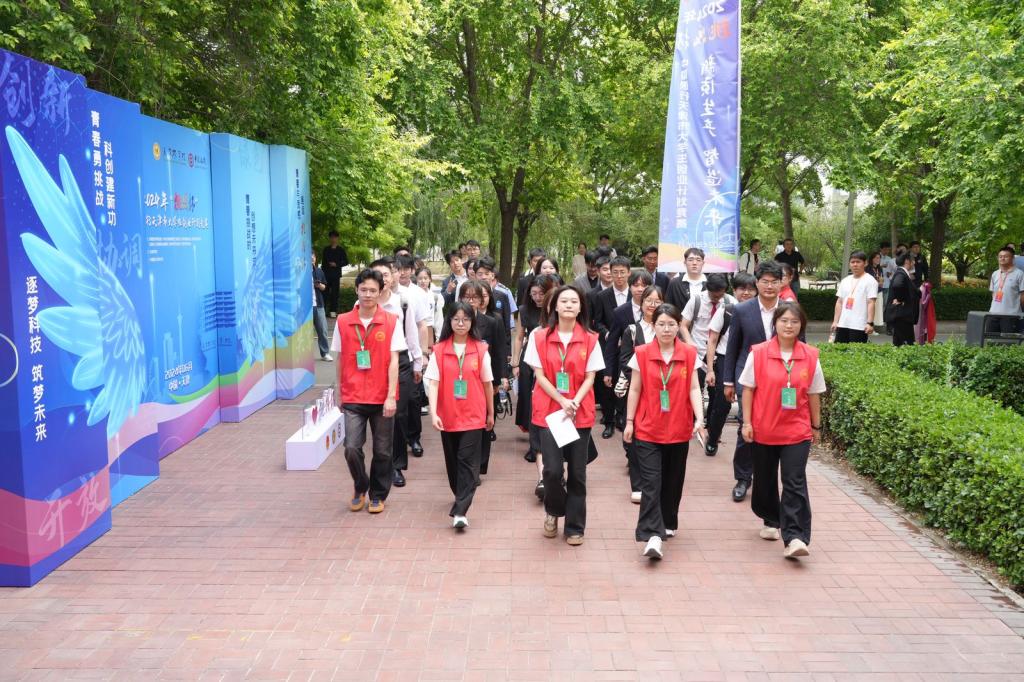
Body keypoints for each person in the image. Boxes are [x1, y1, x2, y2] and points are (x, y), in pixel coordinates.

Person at [739, 301, 825, 560]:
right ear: (774, 323)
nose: (789, 326)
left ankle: (795, 536)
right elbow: (748, 389)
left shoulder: (810, 356)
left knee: (794, 480)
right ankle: (770, 517)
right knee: (764, 480)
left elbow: (814, 394)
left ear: (802, 326)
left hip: (796, 431)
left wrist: (816, 426)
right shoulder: (759, 353)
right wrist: (747, 423)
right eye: (784, 321)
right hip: (764, 428)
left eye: (794, 322)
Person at [624, 303, 706, 560]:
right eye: (661, 324)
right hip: (648, 429)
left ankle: (668, 521)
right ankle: (652, 535)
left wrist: (700, 418)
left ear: (679, 326)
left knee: (673, 480)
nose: (667, 329)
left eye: (671, 324)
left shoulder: (689, 354)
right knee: (651, 482)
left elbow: (694, 388)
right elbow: (634, 389)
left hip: (679, 428)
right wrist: (629, 421)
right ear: (653, 326)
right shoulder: (641, 353)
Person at [526, 285, 603, 546]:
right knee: (552, 470)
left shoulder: (590, 339)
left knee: (578, 473)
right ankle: (553, 510)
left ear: (581, 307)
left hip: (579, 412)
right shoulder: (539, 337)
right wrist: (561, 400)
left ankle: (574, 527)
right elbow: (539, 375)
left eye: (574, 301)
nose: (569, 305)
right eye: (564, 301)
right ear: (554, 306)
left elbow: (591, 377)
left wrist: (575, 401)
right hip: (551, 413)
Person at [333, 269, 403, 514]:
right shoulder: (343, 321)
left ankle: (378, 494)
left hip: (382, 397)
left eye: (373, 290)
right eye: (363, 289)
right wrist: (338, 391)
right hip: (353, 395)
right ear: (356, 290)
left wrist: (391, 395)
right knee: (351, 447)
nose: (368, 294)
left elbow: (394, 360)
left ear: (381, 291)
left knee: (383, 450)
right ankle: (360, 484)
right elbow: (339, 358)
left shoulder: (391, 321)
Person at [425, 302, 495, 529]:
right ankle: (460, 494)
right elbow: (433, 383)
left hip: (474, 414)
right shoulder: (439, 350)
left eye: (465, 319)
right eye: (456, 319)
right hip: (448, 415)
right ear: (449, 321)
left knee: (466, 460)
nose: (461, 323)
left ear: (472, 322)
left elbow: (487, 384)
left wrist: (490, 413)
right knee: (453, 461)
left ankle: (461, 511)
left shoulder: (481, 349)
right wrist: (434, 412)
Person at [723, 261, 785, 503]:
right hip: (747, 375)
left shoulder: (789, 310)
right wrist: (729, 381)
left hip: (779, 378)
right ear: (757, 283)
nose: (769, 286)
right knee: (746, 423)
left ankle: (766, 477)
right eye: (765, 281)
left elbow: (799, 345)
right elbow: (733, 347)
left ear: (781, 283)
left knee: (772, 426)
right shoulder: (741, 310)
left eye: (774, 281)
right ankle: (742, 477)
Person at [369, 258, 423, 488]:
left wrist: (418, 362)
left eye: (385, 274)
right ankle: (382, 462)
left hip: (400, 362)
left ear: (392, 277)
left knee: (398, 414)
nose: (382, 279)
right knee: (378, 415)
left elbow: (412, 332)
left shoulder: (402, 302)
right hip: (373, 364)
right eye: (377, 274)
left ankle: (396, 465)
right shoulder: (363, 302)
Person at [512, 274, 561, 498]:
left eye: (542, 294)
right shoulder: (527, 314)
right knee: (534, 405)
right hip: (532, 364)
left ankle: (557, 467)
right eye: (534, 294)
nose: (538, 298)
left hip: (559, 374)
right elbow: (518, 336)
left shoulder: (564, 319)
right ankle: (539, 458)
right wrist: (515, 362)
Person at [615, 285, 663, 503]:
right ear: (641, 303)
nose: (652, 305)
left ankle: (656, 481)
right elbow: (625, 361)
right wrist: (646, 378)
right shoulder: (632, 331)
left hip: (662, 392)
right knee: (635, 437)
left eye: (657, 301)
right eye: (648, 300)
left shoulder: (667, 329)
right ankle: (638, 484)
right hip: (637, 391)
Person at [705, 272, 757, 455]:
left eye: (750, 289)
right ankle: (713, 438)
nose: (746, 292)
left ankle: (744, 441)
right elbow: (712, 340)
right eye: (742, 288)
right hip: (725, 360)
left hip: (749, 361)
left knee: (746, 403)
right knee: (722, 403)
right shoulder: (726, 310)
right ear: (734, 290)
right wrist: (710, 369)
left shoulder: (759, 312)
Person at [460, 281, 507, 477]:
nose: (470, 301)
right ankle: (465, 461)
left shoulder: (492, 322)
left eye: (475, 297)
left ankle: (479, 465)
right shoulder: (455, 321)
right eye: (467, 297)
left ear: (482, 300)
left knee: (485, 422)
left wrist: (499, 380)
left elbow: (499, 352)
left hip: (484, 381)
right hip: (461, 380)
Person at [394, 255, 432, 458]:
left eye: (406, 268)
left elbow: (422, 325)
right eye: (399, 268)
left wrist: (423, 354)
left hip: (411, 353)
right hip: (390, 354)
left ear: (412, 270)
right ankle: (397, 440)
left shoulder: (418, 293)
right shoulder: (387, 292)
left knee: (413, 398)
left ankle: (414, 438)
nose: (403, 272)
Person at [592, 256, 632, 438]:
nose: (619, 276)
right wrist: (609, 334)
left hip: (631, 347)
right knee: (608, 383)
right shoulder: (602, 296)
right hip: (609, 346)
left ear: (629, 273)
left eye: (622, 272)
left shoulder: (637, 294)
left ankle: (623, 417)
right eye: (615, 272)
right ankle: (609, 421)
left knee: (628, 382)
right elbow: (597, 321)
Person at [830, 251, 878, 343]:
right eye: (852, 262)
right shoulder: (845, 280)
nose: (855, 264)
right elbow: (839, 302)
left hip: (859, 325)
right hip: (843, 324)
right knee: (839, 350)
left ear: (865, 263)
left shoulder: (870, 281)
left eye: (858, 262)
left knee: (856, 351)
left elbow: (871, 303)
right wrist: (835, 321)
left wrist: (870, 323)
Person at [885, 251, 919, 347]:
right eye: (913, 260)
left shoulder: (901, 272)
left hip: (901, 315)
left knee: (899, 343)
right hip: (902, 314)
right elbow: (897, 285)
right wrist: (900, 299)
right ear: (907, 261)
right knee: (905, 344)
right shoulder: (901, 273)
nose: (914, 263)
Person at [987, 246, 1024, 333]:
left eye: (1006, 256)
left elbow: (1023, 295)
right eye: (1000, 256)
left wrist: (1016, 308)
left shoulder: (1019, 274)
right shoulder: (995, 274)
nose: (1002, 258)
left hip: (1011, 315)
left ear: (1013, 258)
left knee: (1008, 340)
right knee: (990, 338)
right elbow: (993, 293)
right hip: (993, 314)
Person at [665, 247, 707, 315]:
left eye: (698, 260)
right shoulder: (674, 283)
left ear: (703, 263)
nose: (694, 263)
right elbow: (668, 307)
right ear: (685, 262)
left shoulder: (710, 284)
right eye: (690, 260)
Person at [321, 230, 349, 317]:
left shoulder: (341, 250)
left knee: (335, 294)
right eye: (332, 237)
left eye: (335, 237)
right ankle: (323, 311)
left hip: (336, 275)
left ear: (337, 238)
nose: (333, 239)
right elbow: (323, 263)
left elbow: (346, 262)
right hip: (326, 275)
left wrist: (337, 264)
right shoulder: (326, 249)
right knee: (324, 293)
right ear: (329, 238)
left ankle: (333, 311)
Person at [416, 266, 445, 343]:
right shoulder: (412, 296)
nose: (423, 281)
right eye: (420, 278)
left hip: (430, 331)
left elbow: (438, 318)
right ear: (416, 279)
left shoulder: (435, 296)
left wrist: (438, 336)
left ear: (430, 279)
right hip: (416, 331)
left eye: (425, 278)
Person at [312, 253, 332, 361]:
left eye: (313, 257)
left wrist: (319, 285)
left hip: (318, 304)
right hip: (305, 307)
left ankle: (325, 353)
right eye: (309, 257)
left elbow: (324, 287)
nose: (312, 259)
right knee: (304, 332)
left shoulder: (319, 271)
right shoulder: (300, 271)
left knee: (323, 330)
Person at [866, 251, 886, 328]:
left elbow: (881, 278)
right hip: (870, 292)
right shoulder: (867, 268)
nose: (878, 259)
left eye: (879, 258)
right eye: (876, 258)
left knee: (877, 310)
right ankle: (869, 326)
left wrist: (881, 281)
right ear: (872, 259)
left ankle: (872, 327)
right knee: (870, 309)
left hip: (879, 291)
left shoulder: (880, 268)